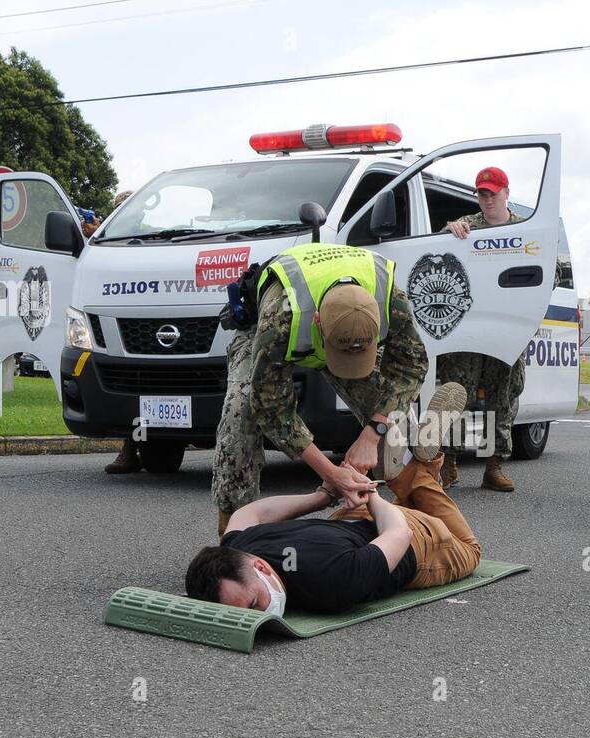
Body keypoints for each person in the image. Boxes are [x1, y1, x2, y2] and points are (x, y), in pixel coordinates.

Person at [187, 383, 479, 613]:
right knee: (405, 506)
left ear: (259, 566)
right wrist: (325, 496)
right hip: (348, 519)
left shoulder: (329, 581)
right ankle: (415, 465)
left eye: (254, 605)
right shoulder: (237, 550)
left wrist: (367, 493)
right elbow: (248, 514)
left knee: (469, 549)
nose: (258, 616)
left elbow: (398, 533)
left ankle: (414, 473)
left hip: (412, 539)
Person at [210, 242, 430, 537]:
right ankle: (234, 530)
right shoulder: (281, 316)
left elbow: (411, 366)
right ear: (317, 323)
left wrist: (372, 434)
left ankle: (420, 509)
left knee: (394, 416)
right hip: (261, 333)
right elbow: (271, 405)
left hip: (338, 327)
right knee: (240, 414)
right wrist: (331, 474)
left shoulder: (391, 300)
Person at [435, 167, 526, 492]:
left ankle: (494, 465)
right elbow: (442, 258)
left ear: (506, 193)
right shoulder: (466, 227)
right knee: (459, 392)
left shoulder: (527, 229)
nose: (487, 200)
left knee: (503, 394)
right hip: (469, 327)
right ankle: (449, 463)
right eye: (482, 194)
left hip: (508, 326)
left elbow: (549, 272)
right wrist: (448, 230)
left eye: (493, 193)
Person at [98, 190, 151, 476]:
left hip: (139, 321)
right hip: (123, 322)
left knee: (140, 389)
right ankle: (133, 449)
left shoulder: (149, 236)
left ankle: (132, 450)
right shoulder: (111, 235)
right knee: (132, 390)